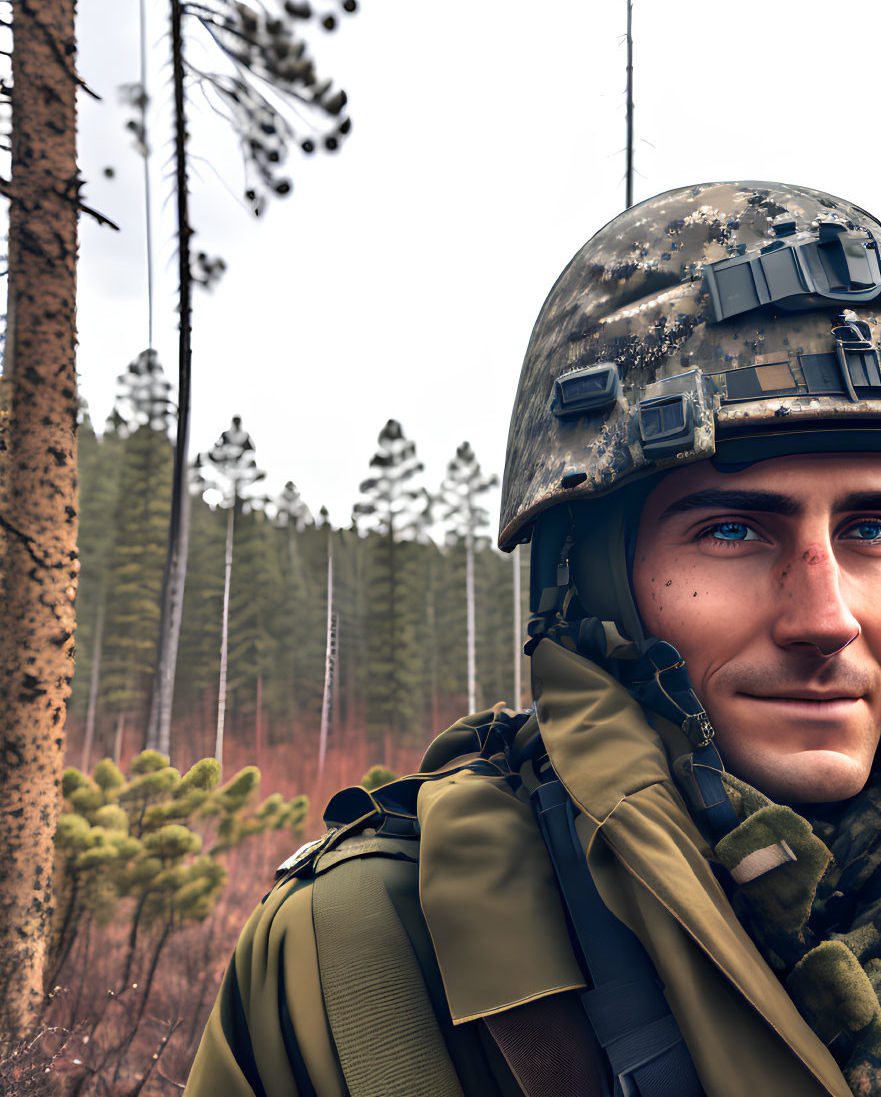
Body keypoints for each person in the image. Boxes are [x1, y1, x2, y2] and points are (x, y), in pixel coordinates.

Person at [184, 181, 881, 1097]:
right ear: (589, 579)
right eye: (731, 531)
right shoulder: (364, 950)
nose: (824, 618)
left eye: (871, 531)